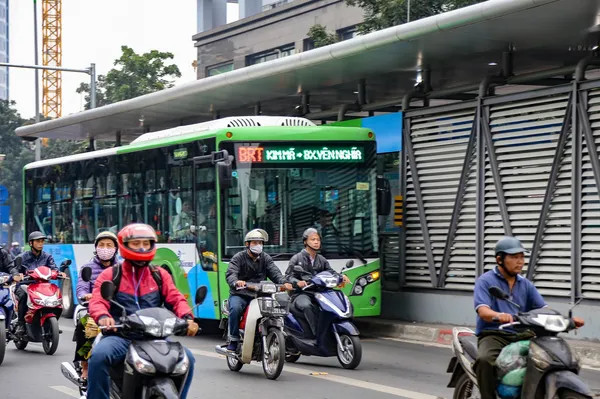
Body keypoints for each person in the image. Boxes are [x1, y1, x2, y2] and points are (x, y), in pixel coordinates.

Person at [87, 223, 199, 399]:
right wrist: (103, 317)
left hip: (155, 337)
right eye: (136, 243)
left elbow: (176, 298)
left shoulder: (159, 275)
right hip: (121, 336)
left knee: (188, 359)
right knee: (100, 356)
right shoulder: (111, 274)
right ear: (125, 245)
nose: (141, 247)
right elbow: (97, 301)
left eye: (146, 243)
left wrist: (187, 318)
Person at [473, 236, 584, 399]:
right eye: (514, 257)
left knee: (547, 359)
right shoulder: (485, 281)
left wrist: (565, 321)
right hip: (495, 334)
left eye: (522, 257)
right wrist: (499, 316)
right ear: (500, 259)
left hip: (523, 334)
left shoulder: (525, 284)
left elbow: (543, 309)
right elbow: (483, 310)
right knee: (485, 360)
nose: (520, 261)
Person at [224, 228, 292, 351]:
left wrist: (284, 283)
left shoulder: (265, 258)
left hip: (261, 295)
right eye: (255, 243)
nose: (258, 245)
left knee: (277, 311)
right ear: (247, 244)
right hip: (241, 294)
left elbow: (275, 273)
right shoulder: (238, 258)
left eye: (260, 243)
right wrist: (236, 282)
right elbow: (231, 273)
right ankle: (234, 338)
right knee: (235, 309)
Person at [73, 231, 120, 381]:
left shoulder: (122, 268)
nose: (105, 248)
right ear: (96, 248)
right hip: (94, 311)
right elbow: (81, 288)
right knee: (88, 329)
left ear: (116, 249)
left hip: (118, 312)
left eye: (109, 245)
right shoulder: (88, 268)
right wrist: (86, 295)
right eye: (101, 245)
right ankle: (85, 366)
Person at [285, 228, 349, 337]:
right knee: (307, 306)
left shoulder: (321, 259)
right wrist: (298, 282)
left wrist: (341, 277)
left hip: (320, 292)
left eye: (318, 240)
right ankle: (317, 334)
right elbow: (288, 276)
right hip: (302, 293)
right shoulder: (297, 258)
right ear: (305, 242)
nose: (316, 242)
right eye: (313, 239)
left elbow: (330, 272)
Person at [12, 231, 65, 334]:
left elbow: (53, 268)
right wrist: (19, 274)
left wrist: (59, 273)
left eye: (42, 241)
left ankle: (52, 324)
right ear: (31, 243)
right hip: (26, 285)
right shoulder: (22, 257)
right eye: (38, 241)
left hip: (42, 286)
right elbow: (14, 269)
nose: (41, 244)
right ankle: (21, 324)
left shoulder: (47, 257)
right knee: (23, 296)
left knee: (56, 296)